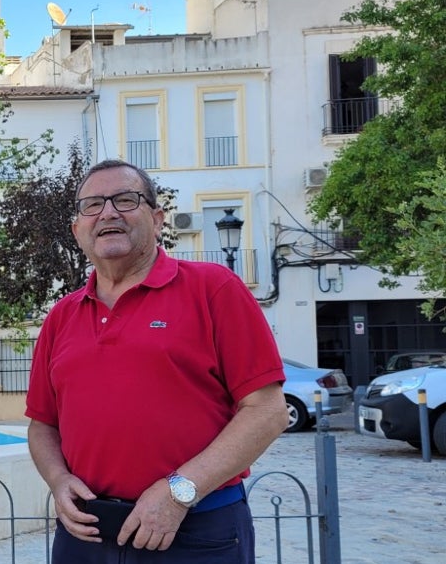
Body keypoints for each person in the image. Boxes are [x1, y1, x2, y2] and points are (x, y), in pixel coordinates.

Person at [25, 159, 287, 563]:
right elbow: (43, 425)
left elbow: (268, 412)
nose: (108, 212)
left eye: (125, 200)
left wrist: (180, 491)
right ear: (78, 229)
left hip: (194, 528)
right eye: (92, 205)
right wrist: (58, 481)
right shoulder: (62, 316)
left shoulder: (214, 289)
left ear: (157, 218)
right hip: (86, 534)